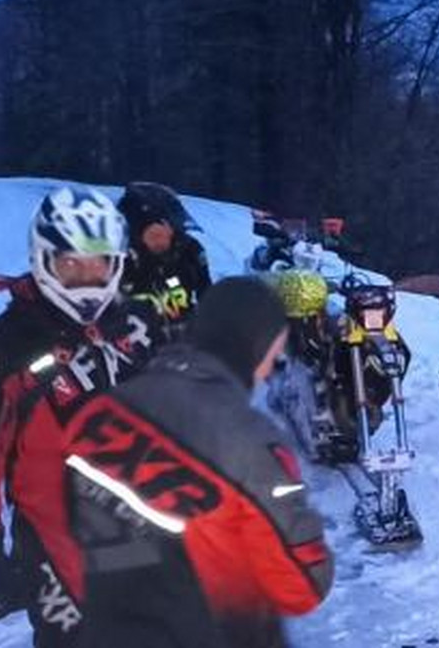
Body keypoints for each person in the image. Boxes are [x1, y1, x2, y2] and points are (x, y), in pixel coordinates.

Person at [65, 276, 334, 648]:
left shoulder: (99, 413)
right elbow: (303, 584)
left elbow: (66, 534)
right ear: (257, 347)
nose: (273, 366)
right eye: (275, 351)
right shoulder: (249, 440)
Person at [0, 184, 159, 646]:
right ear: (43, 260)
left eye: (99, 264)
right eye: (71, 265)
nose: (88, 278)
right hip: (53, 545)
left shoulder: (140, 325)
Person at [116, 181, 211, 337]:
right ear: (134, 235)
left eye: (171, 232)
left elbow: (208, 298)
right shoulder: (118, 263)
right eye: (156, 235)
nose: (165, 241)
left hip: (183, 343)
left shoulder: (188, 251)